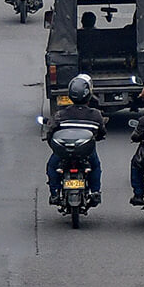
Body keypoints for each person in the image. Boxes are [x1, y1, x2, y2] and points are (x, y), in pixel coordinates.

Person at [44, 73, 105, 201]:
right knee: (95, 166)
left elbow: (51, 132)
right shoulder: (96, 115)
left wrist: (54, 147)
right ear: (89, 94)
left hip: (63, 152)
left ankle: (54, 192)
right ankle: (95, 192)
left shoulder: (61, 114)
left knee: (51, 165)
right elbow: (101, 132)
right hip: (86, 153)